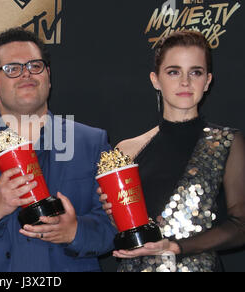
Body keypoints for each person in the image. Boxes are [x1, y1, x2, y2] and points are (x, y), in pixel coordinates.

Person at [0, 27, 116, 272]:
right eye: (12, 69)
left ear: (48, 76)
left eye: (35, 66)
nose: (26, 74)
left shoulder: (91, 142)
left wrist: (74, 231)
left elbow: (114, 226)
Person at [99, 31, 245, 272]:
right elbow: (124, 230)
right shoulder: (126, 150)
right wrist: (116, 215)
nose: (185, 82)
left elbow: (241, 226)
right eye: (173, 72)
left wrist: (176, 246)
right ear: (155, 79)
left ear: (207, 81)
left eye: (195, 72)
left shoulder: (228, 142)